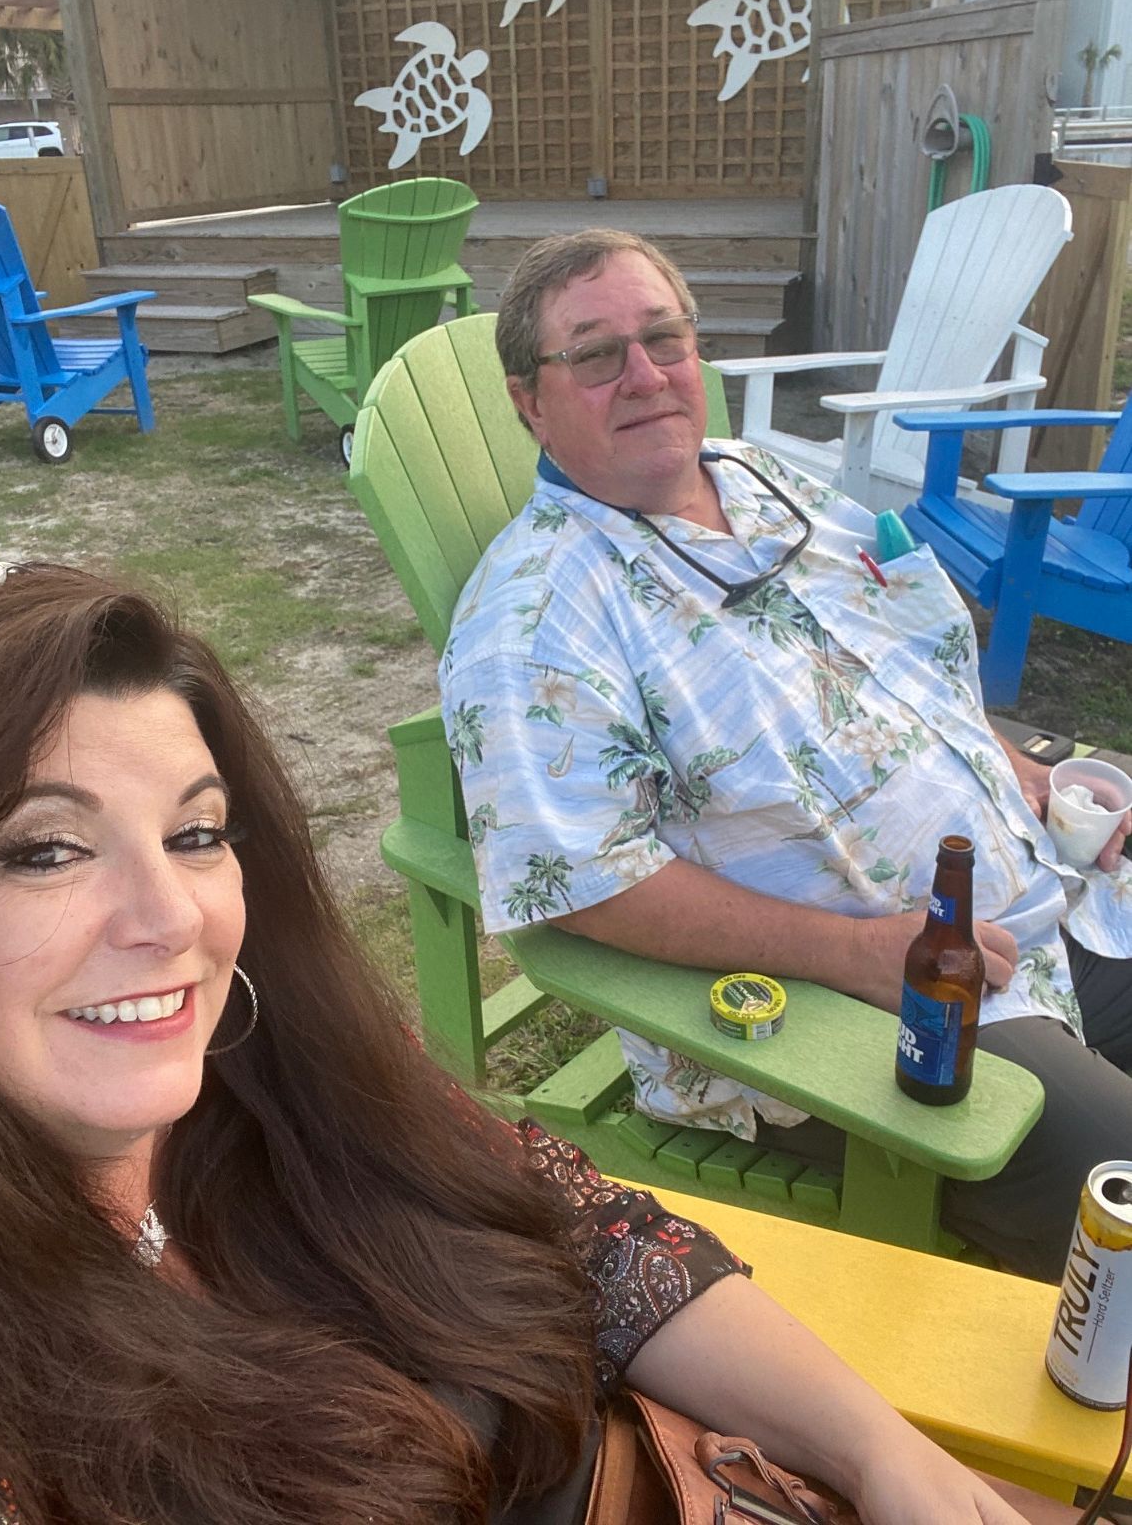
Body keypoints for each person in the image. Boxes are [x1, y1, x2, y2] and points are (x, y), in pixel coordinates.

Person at [0, 562, 1057, 1525]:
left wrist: (881, 1450)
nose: (171, 918)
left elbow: (599, 1235)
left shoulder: (291, 1077)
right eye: (48, 849)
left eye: (197, 833)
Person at [438, 227, 1132, 1285]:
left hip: (1051, 880)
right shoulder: (537, 619)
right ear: (530, 400)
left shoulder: (758, 477)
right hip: (877, 1012)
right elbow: (583, 883)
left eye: (663, 337)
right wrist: (851, 954)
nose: (645, 373)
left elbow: (891, 652)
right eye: (594, 352)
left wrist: (1015, 767)